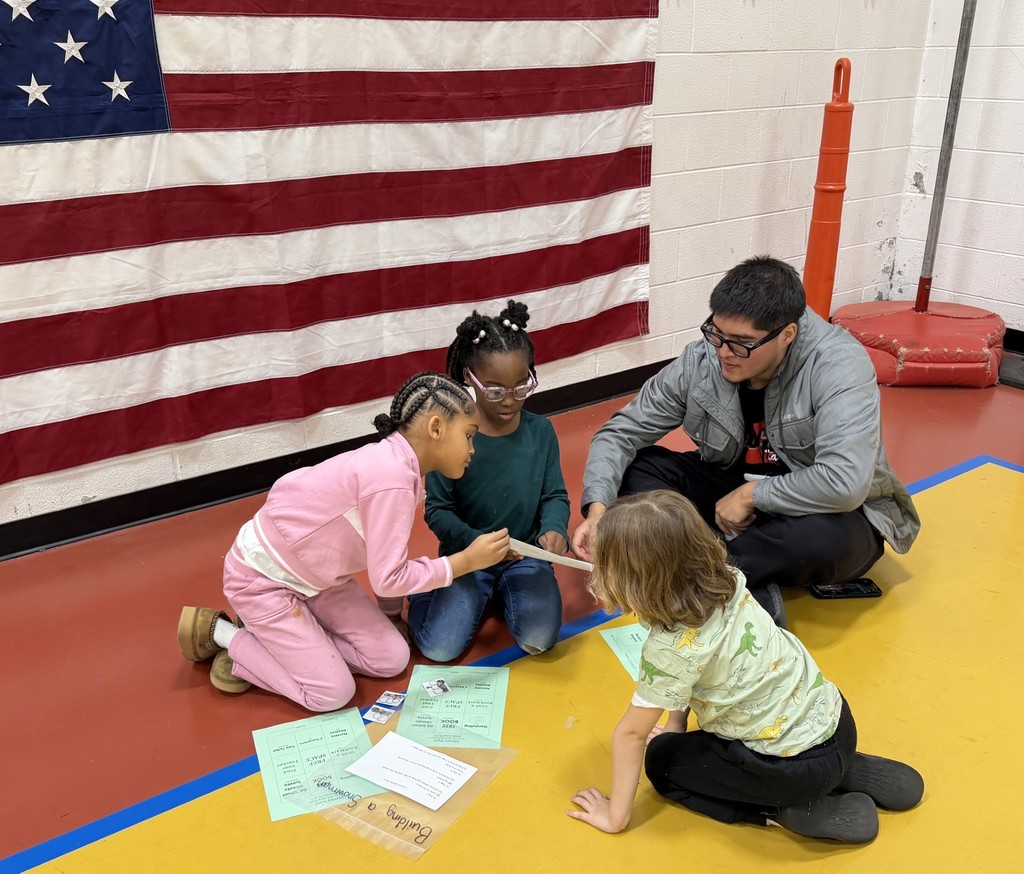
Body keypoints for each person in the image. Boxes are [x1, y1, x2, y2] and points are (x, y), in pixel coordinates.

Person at [571, 256, 920, 627]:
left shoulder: (839, 364)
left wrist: (751, 496)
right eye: (717, 334)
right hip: (730, 498)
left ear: (787, 334)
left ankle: (703, 574)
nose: (723, 352)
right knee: (638, 471)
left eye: (742, 344)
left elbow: (845, 482)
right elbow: (619, 434)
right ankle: (735, 575)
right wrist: (599, 512)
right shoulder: (704, 359)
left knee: (820, 541)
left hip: (819, 510)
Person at [566, 490, 923, 842]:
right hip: (838, 724)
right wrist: (676, 726)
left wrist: (615, 816)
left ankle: (781, 810)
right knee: (682, 740)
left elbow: (630, 735)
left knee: (662, 764)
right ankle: (843, 767)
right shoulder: (727, 579)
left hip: (792, 771)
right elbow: (687, 682)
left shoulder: (671, 650)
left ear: (627, 578)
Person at [176, 372, 511, 711]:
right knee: (331, 694)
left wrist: (391, 614)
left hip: (319, 580)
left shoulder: (402, 470)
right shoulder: (391, 480)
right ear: (436, 428)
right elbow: (389, 578)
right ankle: (225, 634)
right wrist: (464, 562)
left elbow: (388, 554)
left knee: (392, 658)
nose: (472, 450)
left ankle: (283, 645)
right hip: (261, 582)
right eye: (469, 436)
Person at [406, 300, 571, 662]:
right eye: (495, 390)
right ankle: (423, 590)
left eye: (521, 387)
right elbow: (438, 510)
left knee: (540, 640)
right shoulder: (450, 438)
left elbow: (554, 494)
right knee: (439, 648)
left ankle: (503, 590)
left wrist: (555, 527)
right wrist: (474, 545)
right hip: (467, 557)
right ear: (469, 378)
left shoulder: (541, 432)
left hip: (524, 556)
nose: (510, 401)